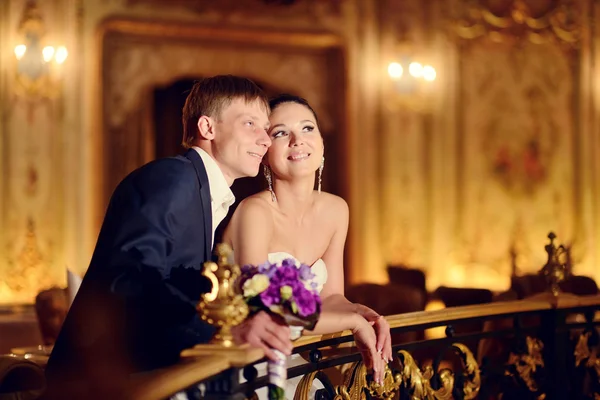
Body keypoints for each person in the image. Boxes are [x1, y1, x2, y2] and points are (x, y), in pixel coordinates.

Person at [44, 76, 293, 399]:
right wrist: (227, 332)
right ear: (207, 128)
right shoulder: (173, 177)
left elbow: (176, 287)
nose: (265, 140)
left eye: (267, 128)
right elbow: (130, 281)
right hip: (103, 383)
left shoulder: (201, 191)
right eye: (251, 124)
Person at [223, 94, 392, 397]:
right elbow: (266, 310)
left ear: (322, 145)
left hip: (292, 363)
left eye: (307, 128)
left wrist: (365, 314)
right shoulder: (254, 212)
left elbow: (329, 298)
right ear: (264, 150)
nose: (297, 141)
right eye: (280, 132)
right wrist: (352, 323)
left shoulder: (336, 209)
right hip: (244, 366)